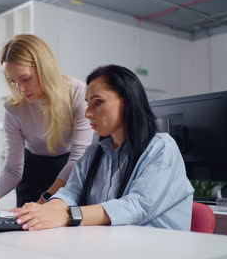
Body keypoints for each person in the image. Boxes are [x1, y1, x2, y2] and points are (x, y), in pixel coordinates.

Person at [11, 65, 194, 231]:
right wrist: (39, 212)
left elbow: (137, 206)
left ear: (128, 101)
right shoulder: (93, 154)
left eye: (97, 102)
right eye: (88, 103)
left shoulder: (161, 148)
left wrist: (67, 216)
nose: (88, 113)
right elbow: (70, 193)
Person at [0, 34, 93, 207]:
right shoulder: (13, 108)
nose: (20, 89)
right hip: (32, 169)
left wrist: (45, 201)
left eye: (26, 79)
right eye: (13, 82)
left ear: (45, 68)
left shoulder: (77, 92)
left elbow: (78, 158)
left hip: (69, 167)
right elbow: (12, 170)